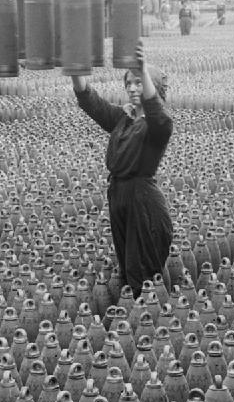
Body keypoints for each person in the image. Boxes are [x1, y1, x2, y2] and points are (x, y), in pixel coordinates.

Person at [71, 40, 173, 299]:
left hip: (143, 203)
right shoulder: (123, 120)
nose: (133, 88)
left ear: (154, 86)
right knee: (128, 270)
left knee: (142, 274)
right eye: (129, 83)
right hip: (119, 197)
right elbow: (91, 102)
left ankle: (149, 324)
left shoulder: (159, 126)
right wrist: (75, 69)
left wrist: (142, 68)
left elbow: (156, 112)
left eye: (139, 82)